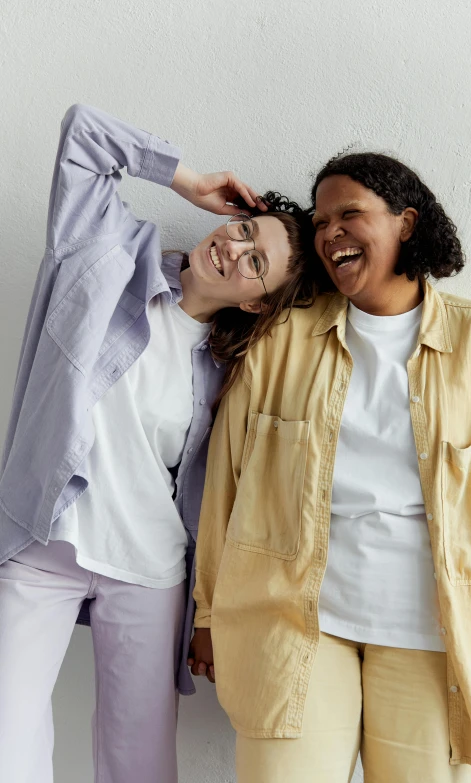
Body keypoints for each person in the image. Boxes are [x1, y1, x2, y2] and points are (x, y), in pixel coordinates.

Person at [0, 104, 316, 783]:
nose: (232, 247)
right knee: (6, 737)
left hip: (148, 568)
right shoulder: (106, 250)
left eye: (254, 260)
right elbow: (85, 133)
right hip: (40, 543)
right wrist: (187, 180)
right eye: (241, 229)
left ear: (259, 302)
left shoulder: (232, 370)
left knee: (138, 763)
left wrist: (206, 609)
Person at [190, 151, 471, 783]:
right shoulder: (282, 339)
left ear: (406, 223)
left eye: (350, 214)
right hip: (295, 627)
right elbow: (224, 484)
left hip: (434, 638)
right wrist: (208, 612)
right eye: (319, 221)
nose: (329, 232)